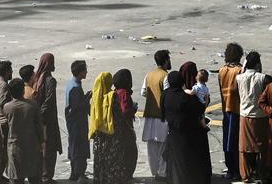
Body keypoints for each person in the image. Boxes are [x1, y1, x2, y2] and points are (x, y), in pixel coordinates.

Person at [163, 70, 213, 184]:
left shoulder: (166, 94)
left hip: (173, 133)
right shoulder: (185, 97)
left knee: (175, 161)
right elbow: (198, 110)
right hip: (186, 134)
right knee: (186, 161)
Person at [91, 70, 139, 184]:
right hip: (115, 133)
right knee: (116, 160)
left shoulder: (97, 97)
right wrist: (134, 109)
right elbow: (123, 113)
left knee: (102, 161)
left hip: (100, 135)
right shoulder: (112, 97)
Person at [238, 51, 272, 183]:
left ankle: (245, 175)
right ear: (258, 64)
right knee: (262, 147)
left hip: (244, 115)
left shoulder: (238, 77)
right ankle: (262, 173)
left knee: (244, 148)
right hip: (260, 116)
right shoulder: (264, 78)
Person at [5, 77, 43, 184]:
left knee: (16, 178)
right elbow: (39, 127)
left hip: (14, 147)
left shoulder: (7, 107)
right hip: (31, 146)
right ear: (23, 90)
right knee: (34, 177)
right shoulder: (33, 105)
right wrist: (42, 142)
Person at [29, 53, 61, 183]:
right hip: (48, 120)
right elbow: (49, 100)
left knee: (41, 148)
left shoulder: (36, 78)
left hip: (38, 118)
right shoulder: (50, 80)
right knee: (49, 148)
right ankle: (47, 176)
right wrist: (42, 115)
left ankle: (41, 174)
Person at [142, 49, 171, 180]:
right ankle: (162, 172)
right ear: (165, 61)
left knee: (152, 146)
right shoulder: (165, 76)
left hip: (149, 115)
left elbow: (143, 92)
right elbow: (168, 94)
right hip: (162, 117)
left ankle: (154, 172)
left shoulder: (149, 75)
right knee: (163, 146)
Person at [219, 42, 245, 180]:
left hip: (226, 108)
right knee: (236, 140)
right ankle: (237, 169)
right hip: (237, 108)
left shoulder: (222, 70)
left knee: (227, 140)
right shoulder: (240, 70)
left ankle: (230, 168)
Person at [64, 60, 90, 183]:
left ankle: (75, 173)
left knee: (74, 146)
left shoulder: (73, 83)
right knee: (79, 148)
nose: (87, 72)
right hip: (77, 123)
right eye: (85, 70)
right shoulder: (75, 87)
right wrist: (87, 99)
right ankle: (79, 174)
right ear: (80, 72)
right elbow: (76, 107)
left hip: (74, 122)